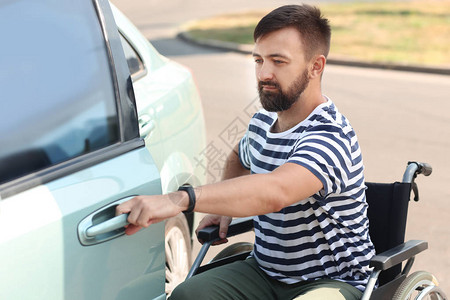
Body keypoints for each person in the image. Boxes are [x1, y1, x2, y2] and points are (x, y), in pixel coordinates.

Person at [116, 4, 375, 299]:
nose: (264, 73)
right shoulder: (262, 122)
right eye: (258, 60)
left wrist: (180, 199)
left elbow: (275, 191)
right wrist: (219, 208)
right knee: (188, 295)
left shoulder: (329, 135)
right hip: (264, 272)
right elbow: (238, 157)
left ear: (315, 66)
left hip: (332, 281)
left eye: (278, 61)